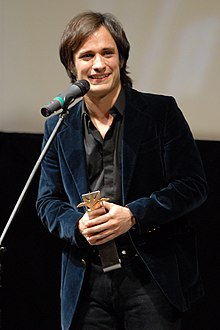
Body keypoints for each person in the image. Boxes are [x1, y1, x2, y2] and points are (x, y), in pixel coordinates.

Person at [36, 11, 208, 330]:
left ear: (121, 58)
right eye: (87, 55)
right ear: (72, 65)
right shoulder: (59, 127)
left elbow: (191, 185)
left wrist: (133, 215)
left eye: (108, 53)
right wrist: (77, 225)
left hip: (150, 277)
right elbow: (47, 201)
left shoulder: (160, 112)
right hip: (87, 282)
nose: (99, 64)